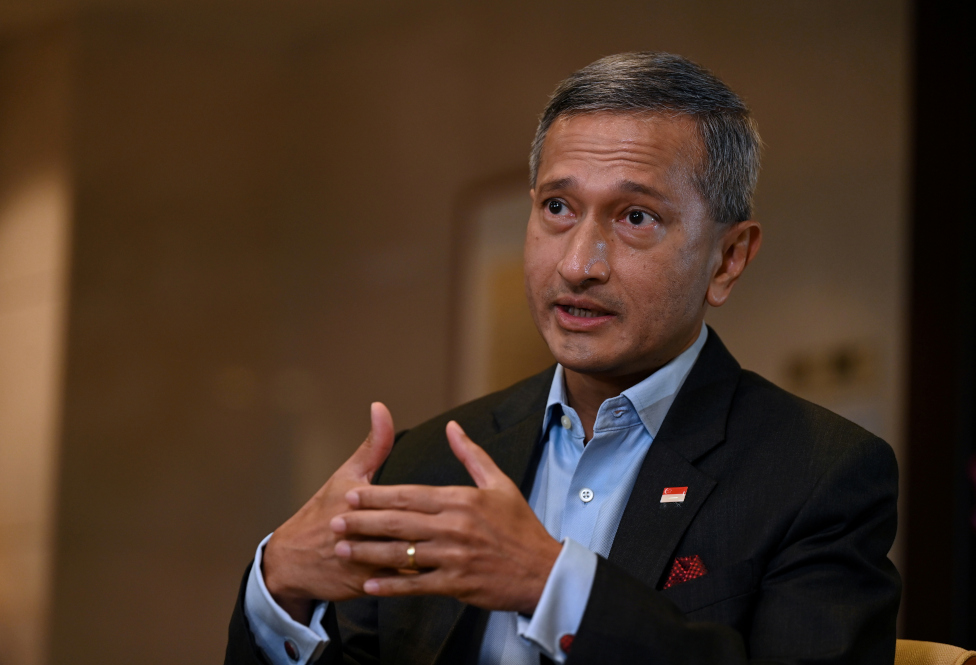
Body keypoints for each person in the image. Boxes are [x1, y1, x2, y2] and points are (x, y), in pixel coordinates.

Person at [225, 52, 900, 665]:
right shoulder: (427, 461)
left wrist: (553, 585)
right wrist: (279, 586)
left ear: (728, 258)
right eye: (557, 207)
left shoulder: (820, 474)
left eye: (636, 217)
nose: (578, 264)